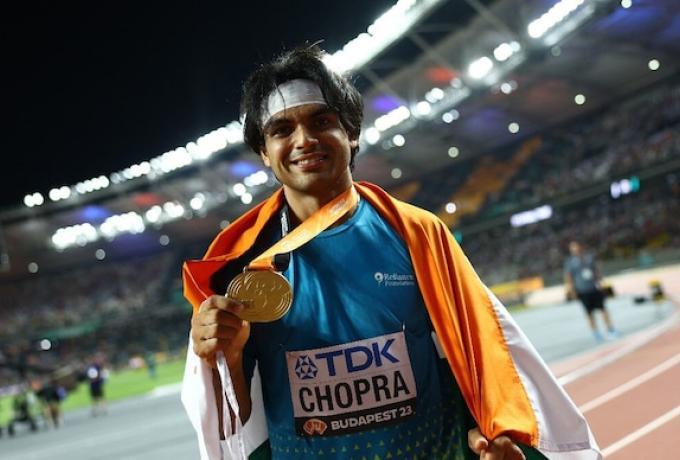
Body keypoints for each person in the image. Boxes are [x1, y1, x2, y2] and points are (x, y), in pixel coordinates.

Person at [182, 45, 600, 460]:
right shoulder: (236, 263)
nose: (304, 140)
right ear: (264, 152)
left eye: (321, 121)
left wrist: (488, 433)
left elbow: (479, 356)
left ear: (351, 133)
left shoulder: (417, 234)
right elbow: (234, 428)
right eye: (281, 130)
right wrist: (225, 358)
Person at [564, 241, 618, 342]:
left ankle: (610, 330)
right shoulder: (570, 262)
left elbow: (596, 271)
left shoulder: (589, 257)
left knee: (603, 309)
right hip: (582, 290)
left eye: (576, 246)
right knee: (589, 314)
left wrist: (600, 282)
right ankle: (596, 333)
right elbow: (569, 277)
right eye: (572, 248)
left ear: (580, 247)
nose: (575, 249)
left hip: (594, 288)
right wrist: (572, 290)